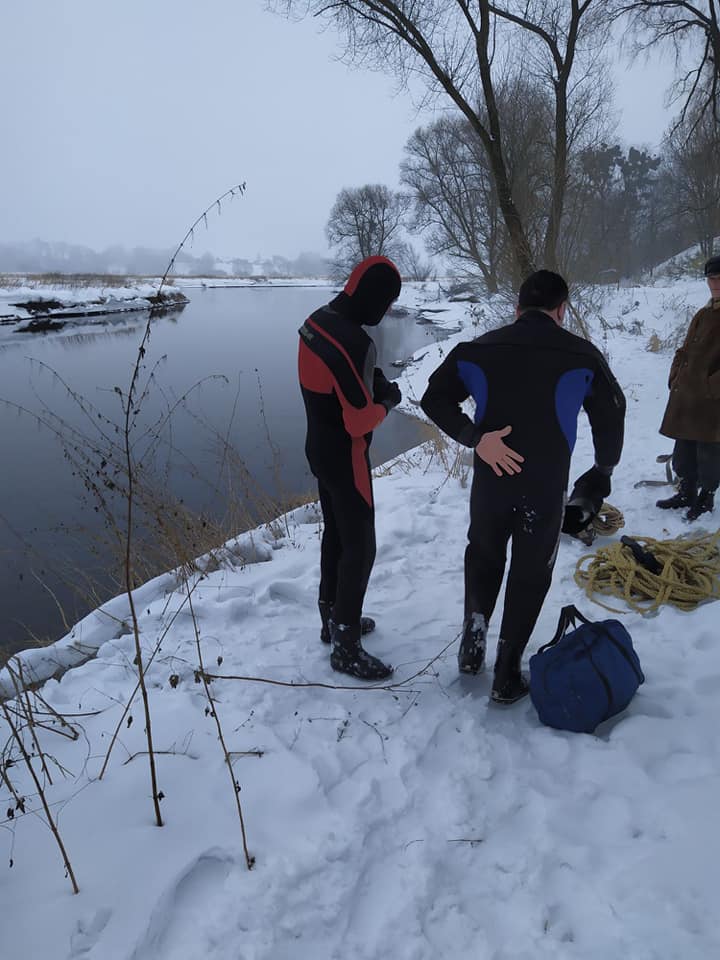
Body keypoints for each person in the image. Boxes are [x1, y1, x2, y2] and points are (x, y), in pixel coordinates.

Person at [421, 270, 626, 704]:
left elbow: (433, 398)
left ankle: (472, 643)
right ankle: (507, 673)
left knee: (484, 553)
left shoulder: (476, 349)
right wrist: (602, 470)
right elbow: (612, 409)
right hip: (544, 483)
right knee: (531, 572)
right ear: (561, 311)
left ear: (517, 310)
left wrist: (475, 438)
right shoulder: (582, 354)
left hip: (491, 480)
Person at [298, 255, 402, 681]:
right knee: (360, 546)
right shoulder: (356, 343)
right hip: (347, 455)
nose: (385, 313)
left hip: (318, 449)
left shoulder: (316, 321)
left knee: (336, 535)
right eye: (387, 302)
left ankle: (332, 621)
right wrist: (387, 401)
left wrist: (369, 382)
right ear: (375, 297)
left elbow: (332, 382)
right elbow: (358, 419)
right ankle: (345, 645)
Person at [657, 255, 720, 521]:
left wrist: (711, 386)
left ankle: (706, 498)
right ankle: (686, 491)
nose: (714, 283)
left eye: (719, 278)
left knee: (709, 452)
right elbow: (685, 348)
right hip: (687, 396)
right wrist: (675, 374)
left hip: (711, 400)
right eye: (710, 278)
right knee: (684, 448)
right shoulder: (704, 313)